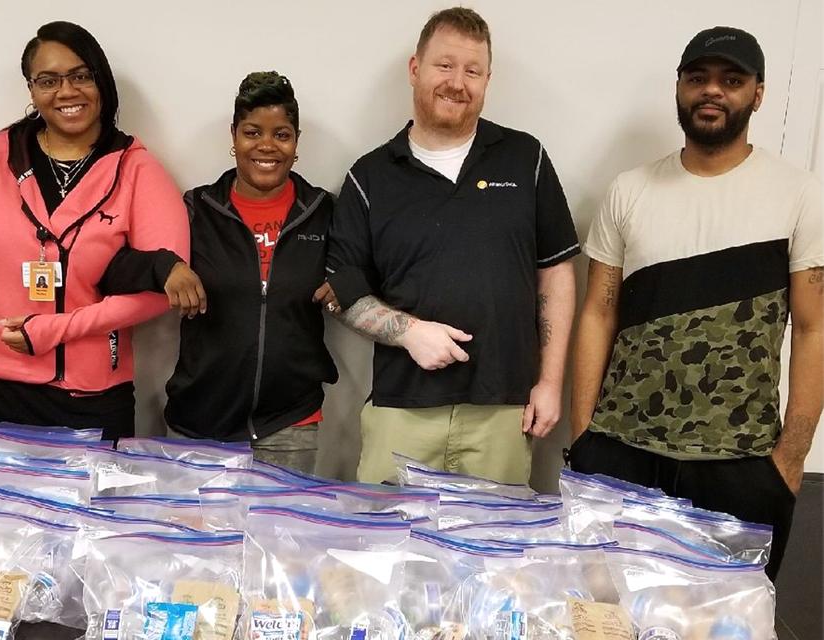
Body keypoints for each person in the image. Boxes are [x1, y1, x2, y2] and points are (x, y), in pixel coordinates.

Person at [569, 26, 822, 580]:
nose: (713, 91)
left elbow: (813, 329)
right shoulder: (628, 190)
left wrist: (790, 459)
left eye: (732, 80)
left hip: (742, 464)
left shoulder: (800, 193)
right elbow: (597, 312)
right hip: (620, 454)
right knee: (605, 614)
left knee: (728, 619)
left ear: (758, 93)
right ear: (679, 87)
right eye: (698, 78)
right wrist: (584, 436)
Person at [323, 7, 579, 484]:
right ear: (415, 68)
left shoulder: (527, 160)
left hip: (504, 411)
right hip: (402, 410)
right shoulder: (370, 176)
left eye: (472, 70)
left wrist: (550, 383)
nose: (457, 82)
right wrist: (408, 332)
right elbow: (345, 291)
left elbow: (557, 273)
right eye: (444, 65)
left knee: (495, 554)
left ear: (487, 79)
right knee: (388, 552)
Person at [0, 21, 189, 442]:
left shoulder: (139, 170)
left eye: (81, 76)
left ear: (100, 80)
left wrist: (55, 330)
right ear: (31, 90)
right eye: (48, 80)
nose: (67, 92)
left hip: (90, 396)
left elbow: (163, 291)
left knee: (87, 511)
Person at [98, 71, 338, 473]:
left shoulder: (323, 212)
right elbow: (113, 267)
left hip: (289, 427)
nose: (266, 146)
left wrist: (349, 280)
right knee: (197, 535)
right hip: (199, 425)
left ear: (297, 142)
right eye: (252, 132)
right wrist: (166, 267)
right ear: (233, 136)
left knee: (278, 536)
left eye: (281, 135)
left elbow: (370, 262)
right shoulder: (196, 209)